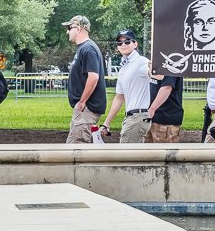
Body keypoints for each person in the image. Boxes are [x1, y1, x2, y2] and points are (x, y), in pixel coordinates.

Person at [100, 29, 151, 143]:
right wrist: (106, 123)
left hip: (137, 117)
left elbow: (155, 74)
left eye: (127, 41)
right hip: (131, 117)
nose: (123, 44)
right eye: (119, 42)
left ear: (135, 44)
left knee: (125, 154)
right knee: (133, 156)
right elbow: (119, 98)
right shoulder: (124, 67)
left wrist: (154, 71)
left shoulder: (141, 61)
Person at [63, 15, 107, 144]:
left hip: (87, 108)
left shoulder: (88, 49)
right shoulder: (83, 48)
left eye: (69, 27)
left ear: (79, 28)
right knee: (71, 147)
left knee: (79, 147)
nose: (67, 31)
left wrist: (82, 102)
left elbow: (93, 77)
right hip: (83, 109)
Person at [146, 70, 184, 143]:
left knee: (162, 153)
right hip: (153, 117)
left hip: (165, 118)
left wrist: (151, 109)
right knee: (149, 153)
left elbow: (167, 87)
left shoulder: (171, 64)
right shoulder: (158, 63)